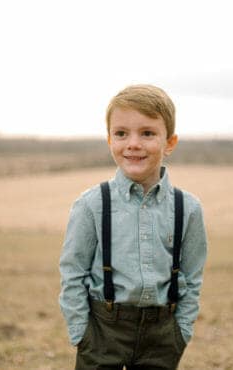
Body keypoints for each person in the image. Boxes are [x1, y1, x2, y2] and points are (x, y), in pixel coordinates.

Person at [59, 84, 207, 370]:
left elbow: (193, 275)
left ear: (170, 143)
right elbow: (72, 272)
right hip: (103, 332)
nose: (133, 143)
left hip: (162, 335)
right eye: (121, 133)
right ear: (109, 140)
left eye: (148, 133)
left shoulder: (187, 208)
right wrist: (81, 335)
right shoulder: (91, 205)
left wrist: (181, 332)